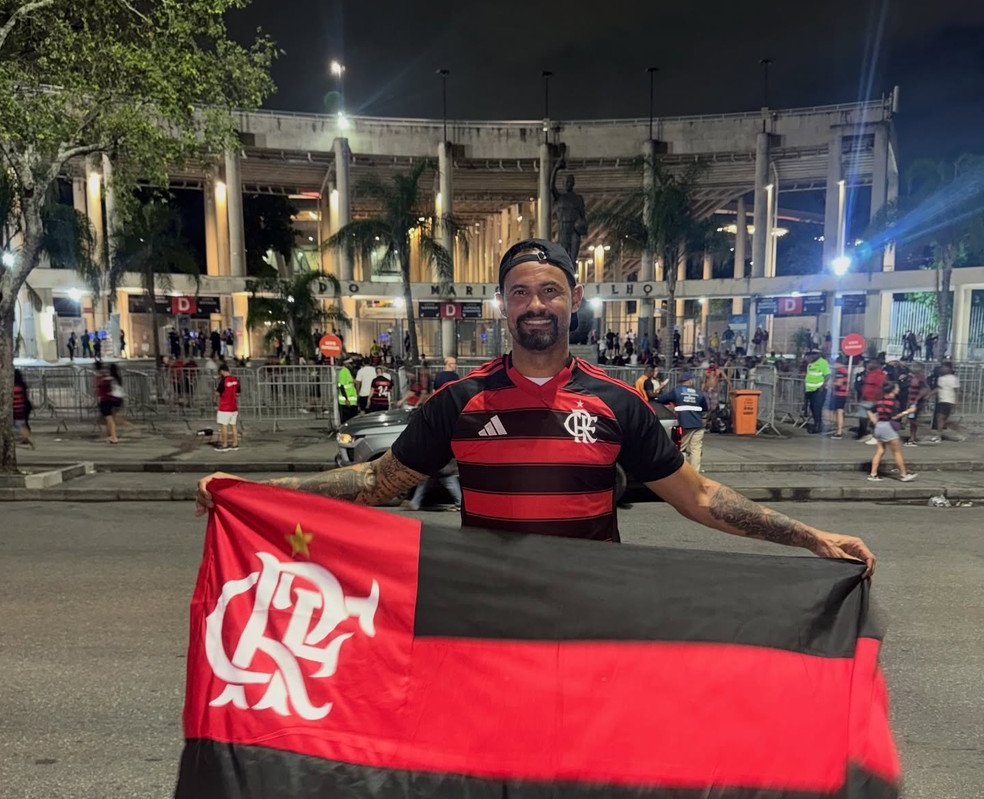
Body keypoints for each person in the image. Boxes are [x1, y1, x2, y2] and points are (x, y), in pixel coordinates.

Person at [197, 238, 875, 575]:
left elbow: (697, 497)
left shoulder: (618, 404)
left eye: (549, 290)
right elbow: (377, 482)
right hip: (493, 617)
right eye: (519, 292)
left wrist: (808, 537)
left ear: (573, 300)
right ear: (502, 305)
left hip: (591, 616)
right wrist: (257, 493)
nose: (535, 304)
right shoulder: (459, 400)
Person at [867, 381, 918, 483]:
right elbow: (894, 416)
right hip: (888, 427)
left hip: (879, 427)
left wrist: (874, 421)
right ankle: (903, 475)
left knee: (880, 451)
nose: (898, 389)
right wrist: (908, 411)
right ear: (893, 389)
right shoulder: (894, 402)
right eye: (897, 388)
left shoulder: (880, 401)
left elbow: (870, 411)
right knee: (896, 452)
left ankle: (873, 474)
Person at [658, 372, 708, 473]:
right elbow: (705, 408)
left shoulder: (676, 391)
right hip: (698, 424)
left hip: (684, 424)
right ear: (690, 381)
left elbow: (661, 399)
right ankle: (695, 473)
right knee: (696, 450)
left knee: (680, 448)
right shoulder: (699, 393)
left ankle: (682, 472)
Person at [926, 361, 959, 443]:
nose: (942, 369)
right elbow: (938, 388)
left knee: (941, 418)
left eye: (944, 367)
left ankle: (939, 435)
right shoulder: (941, 378)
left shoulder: (953, 378)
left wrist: (956, 401)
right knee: (941, 418)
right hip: (941, 400)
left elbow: (956, 391)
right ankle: (939, 435)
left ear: (949, 369)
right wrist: (930, 394)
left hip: (949, 400)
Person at [803, 349, 831, 434]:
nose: (813, 355)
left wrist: (822, 386)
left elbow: (828, 375)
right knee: (812, 408)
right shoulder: (810, 363)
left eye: (815, 354)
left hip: (819, 390)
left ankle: (818, 426)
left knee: (817, 408)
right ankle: (817, 424)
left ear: (819, 354)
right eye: (812, 354)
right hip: (810, 390)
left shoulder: (823, 362)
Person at [215, 362, 241, 452]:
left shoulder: (223, 381)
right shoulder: (236, 380)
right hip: (233, 407)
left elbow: (217, 393)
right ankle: (235, 444)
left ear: (222, 371)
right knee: (234, 425)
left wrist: (217, 392)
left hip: (225, 407)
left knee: (224, 426)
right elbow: (238, 393)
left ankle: (225, 445)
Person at [93, 360, 119, 443]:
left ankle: (113, 437)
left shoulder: (103, 378)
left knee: (109, 419)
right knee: (107, 419)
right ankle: (111, 435)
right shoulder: (106, 376)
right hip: (107, 399)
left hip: (106, 400)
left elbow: (102, 387)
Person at [826, 355, 850, 439]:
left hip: (840, 394)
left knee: (839, 412)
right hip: (840, 394)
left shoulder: (841, 371)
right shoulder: (843, 370)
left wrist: (830, 384)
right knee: (838, 412)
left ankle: (839, 431)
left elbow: (839, 383)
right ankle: (838, 429)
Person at [12, 368, 34, 449]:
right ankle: (28, 439)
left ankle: (30, 440)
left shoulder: (15, 387)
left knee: (20, 424)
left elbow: (16, 400)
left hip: (18, 409)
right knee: (22, 424)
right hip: (23, 407)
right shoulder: (21, 385)